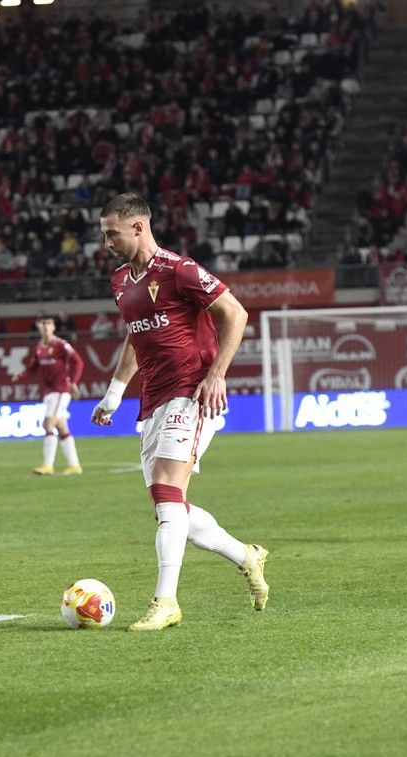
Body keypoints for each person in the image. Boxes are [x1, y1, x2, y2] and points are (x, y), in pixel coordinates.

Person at [91, 192, 269, 631]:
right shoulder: (119, 281)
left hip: (192, 393)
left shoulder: (179, 270)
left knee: (168, 495)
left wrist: (217, 375)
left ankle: (165, 602)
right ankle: (246, 555)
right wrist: (115, 392)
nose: (106, 241)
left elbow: (236, 313)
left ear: (138, 226)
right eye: (103, 234)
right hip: (152, 400)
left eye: (111, 233)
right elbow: (137, 337)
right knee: (170, 509)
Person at [14, 314, 84, 476]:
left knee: (47, 425)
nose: (46, 326)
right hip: (49, 391)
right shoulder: (38, 348)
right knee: (61, 427)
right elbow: (32, 370)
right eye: (43, 323)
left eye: (49, 323)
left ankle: (47, 465)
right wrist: (20, 375)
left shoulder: (61, 345)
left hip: (61, 390)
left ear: (53, 327)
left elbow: (78, 361)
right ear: (38, 326)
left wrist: (73, 382)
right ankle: (74, 466)